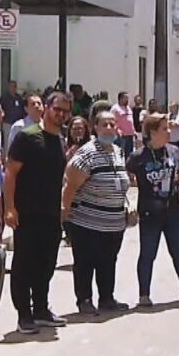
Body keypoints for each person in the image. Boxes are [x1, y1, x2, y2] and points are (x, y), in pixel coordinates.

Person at [4, 92, 72, 334]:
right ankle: (24, 315)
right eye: (57, 109)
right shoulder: (27, 136)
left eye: (65, 111)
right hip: (27, 214)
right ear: (47, 108)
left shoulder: (60, 140)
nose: (61, 114)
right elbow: (10, 173)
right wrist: (9, 208)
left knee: (47, 264)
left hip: (50, 214)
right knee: (24, 265)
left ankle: (41, 310)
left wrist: (62, 205)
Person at [62, 111, 132, 315]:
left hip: (114, 222)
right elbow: (70, 184)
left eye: (112, 124)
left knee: (108, 262)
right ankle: (84, 300)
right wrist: (64, 210)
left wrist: (128, 205)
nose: (109, 128)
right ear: (96, 127)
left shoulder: (118, 152)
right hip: (86, 221)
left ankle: (107, 298)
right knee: (85, 262)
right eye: (104, 125)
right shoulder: (88, 153)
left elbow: (120, 182)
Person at [128, 113, 179, 307]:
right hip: (150, 213)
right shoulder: (138, 157)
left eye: (169, 127)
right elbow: (128, 178)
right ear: (152, 132)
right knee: (148, 253)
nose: (169, 131)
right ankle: (144, 295)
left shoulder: (174, 151)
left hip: (173, 211)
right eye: (164, 128)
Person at [111, 92, 137, 159]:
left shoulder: (128, 108)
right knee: (120, 153)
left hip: (130, 134)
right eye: (126, 98)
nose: (127, 100)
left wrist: (134, 131)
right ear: (120, 98)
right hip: (121, 135)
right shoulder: (115, 108)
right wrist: (117, 130)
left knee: (130, 154)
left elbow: (131, 120)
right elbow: (111, 120)